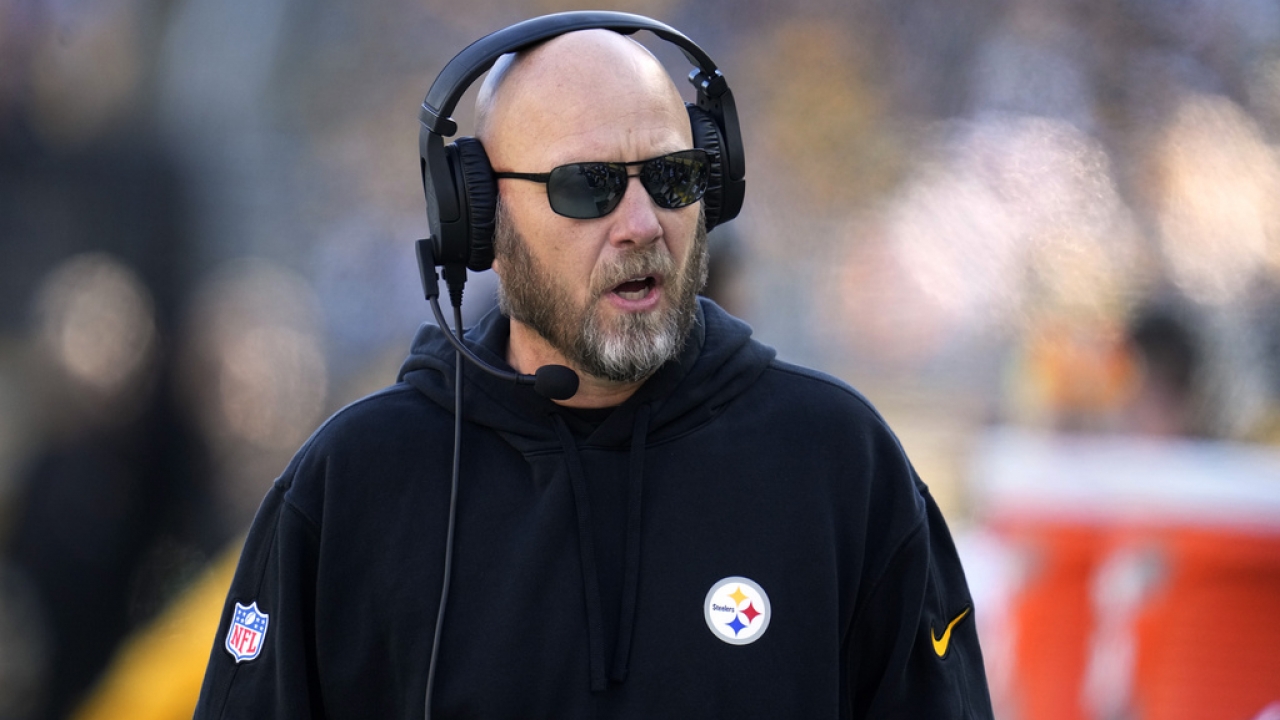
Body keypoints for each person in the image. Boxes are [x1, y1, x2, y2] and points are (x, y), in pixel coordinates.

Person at [194, 16, 993, 720]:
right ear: (477, 218)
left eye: (674, 177)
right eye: (590, 187)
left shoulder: (841, 465)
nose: (642, 224)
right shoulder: (352, 487)